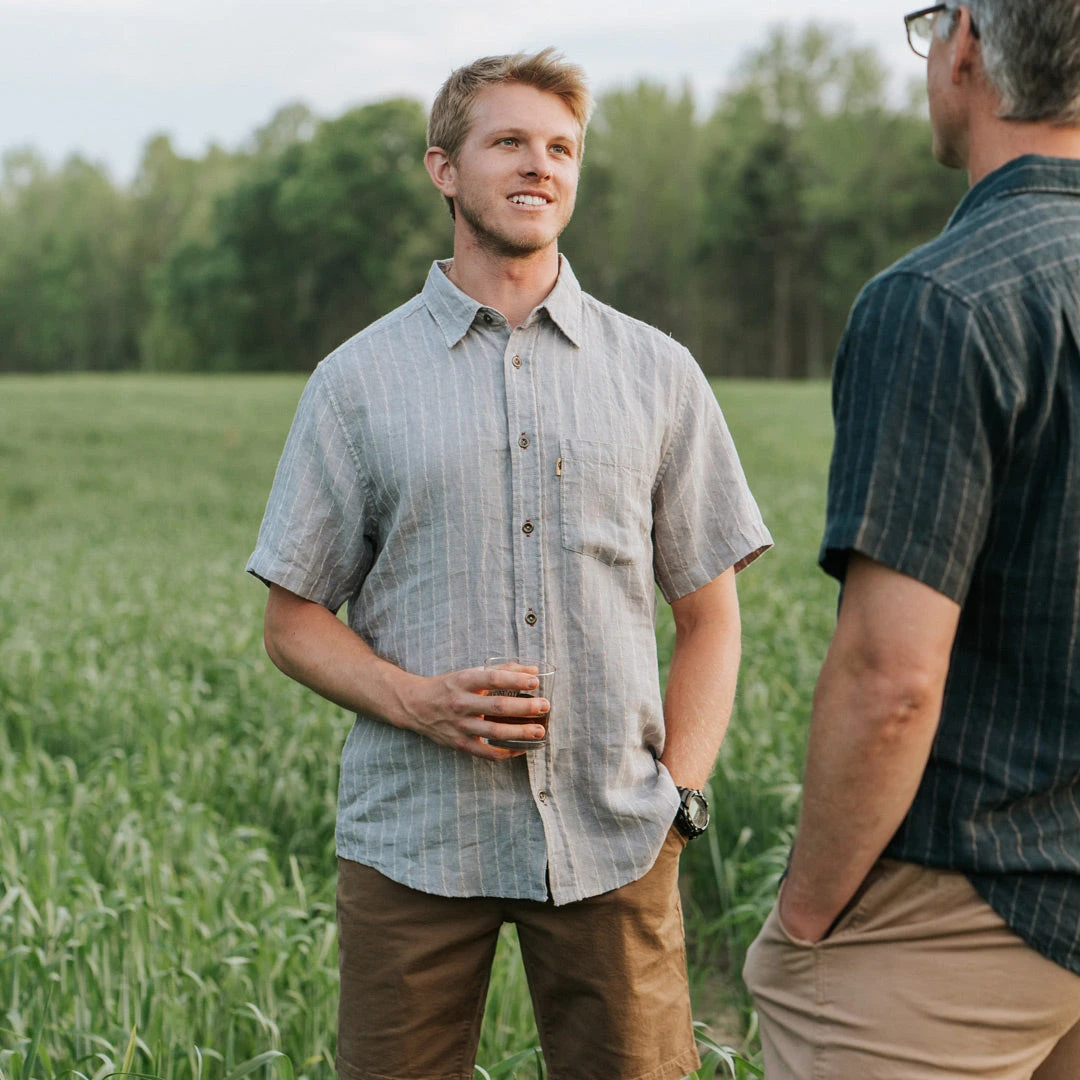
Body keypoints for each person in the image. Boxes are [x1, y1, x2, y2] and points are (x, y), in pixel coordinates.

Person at [247, 48, 770, 1080]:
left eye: (562, 148)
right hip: (412, 841)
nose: (541, 167)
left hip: (616, 837)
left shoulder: (658, 373)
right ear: (444, 169)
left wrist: (679, 801)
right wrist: (422, 703)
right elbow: (292, 620)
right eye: (511, 144)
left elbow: (711, 615)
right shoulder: (356, 382)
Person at [743, 3, 1080, 1077]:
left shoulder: (944, 298)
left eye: (932, 25)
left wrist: (806, 917)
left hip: (960, 903)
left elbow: (891, 679)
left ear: (970, 48)